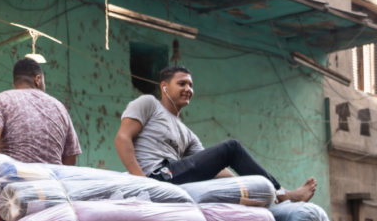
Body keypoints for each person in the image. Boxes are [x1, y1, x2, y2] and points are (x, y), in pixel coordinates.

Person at [114, 65, 316, 202]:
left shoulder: (188, 134)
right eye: (182, 83)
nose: (188, 89)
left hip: (173, 178)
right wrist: (143, 183)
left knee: (230, 154)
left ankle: (274, 193)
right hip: (157, 176)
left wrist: (246, 187)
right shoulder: (148, 103)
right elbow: (122, 139)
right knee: (232, 147)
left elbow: (216, 167)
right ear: (164, 87)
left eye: (191, 85)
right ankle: (282, 194)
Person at [0, 57, 81, 165]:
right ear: (37, 79)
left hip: (11, 179)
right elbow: (70, 156)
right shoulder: (60, 107)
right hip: (51, 180)